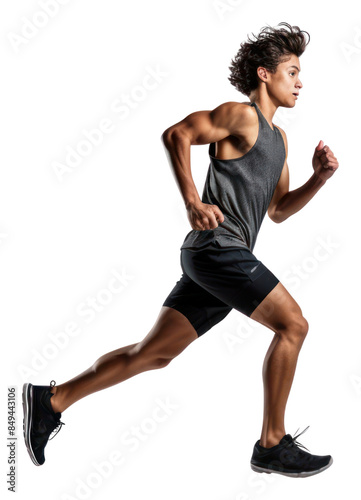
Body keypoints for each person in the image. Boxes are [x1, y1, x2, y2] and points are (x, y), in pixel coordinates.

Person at [22, 22, 339, 477]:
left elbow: (279, 210)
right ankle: (271, 443)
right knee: (294, 325)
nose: (300, 82)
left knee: (152, 354)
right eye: (292, 72)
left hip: (217, 261)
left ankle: (50, 400)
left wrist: (319, 179)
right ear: (265, 74)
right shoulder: (241, 114)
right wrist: (193, 200)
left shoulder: (281, 140)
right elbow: (177, 134)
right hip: (217, 249)